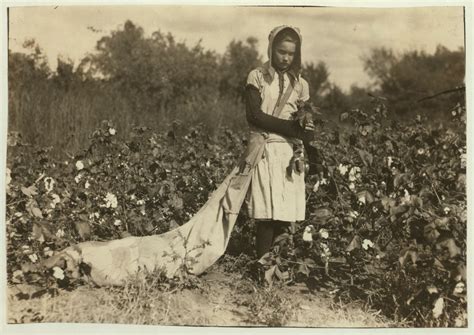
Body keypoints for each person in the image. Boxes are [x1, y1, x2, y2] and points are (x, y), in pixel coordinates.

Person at [244, 25, 316, 258]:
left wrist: (308, 139)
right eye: (281, 51)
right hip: (265, 147)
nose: (285, 58)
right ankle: (261, 264)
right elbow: (254, 115)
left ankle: (277, 265)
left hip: (289, 152)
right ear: (271, 49)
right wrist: (291, 128)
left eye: (291, 53)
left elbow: (306, 123)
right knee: (266, 210)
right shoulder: (257, 76)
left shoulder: (301, 84)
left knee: (284, 210)